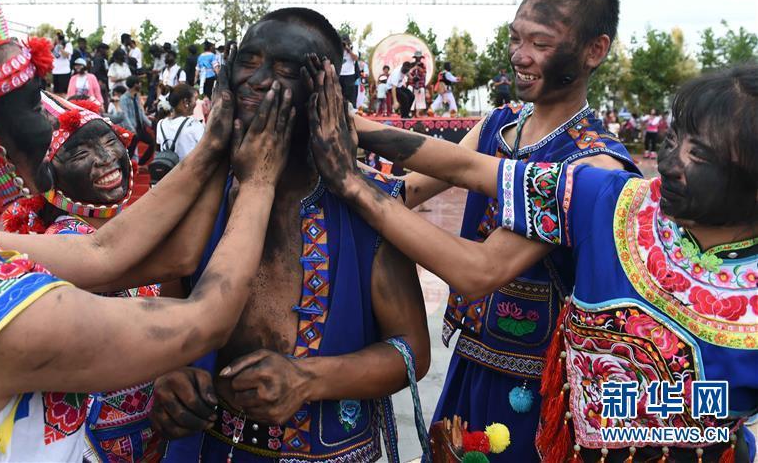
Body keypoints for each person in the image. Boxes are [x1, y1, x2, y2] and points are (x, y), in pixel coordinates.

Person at [0, 0, 295, 462]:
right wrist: (260, 178)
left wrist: (215, 145)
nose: (50, 128)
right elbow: (204, 321)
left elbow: (105, 253)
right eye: (29, 104)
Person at [308, 58, 758, 463]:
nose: (671, 161)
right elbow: (469, 169)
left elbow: (480, 268)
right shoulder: (610, 202)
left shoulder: (600, 166)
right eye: (674, 138)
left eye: (697, 153)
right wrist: (353, 129)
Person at [155, 8, 430, 463]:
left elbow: (411, 352)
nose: (258, 80)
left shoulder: (367, 206)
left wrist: (309, 378)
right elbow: (166, 315)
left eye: (285, 70)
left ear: (324, 92)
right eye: (249, 61)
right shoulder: (197, 194)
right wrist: (170, 378)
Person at [391, 0, 639, 461]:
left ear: (595, 50)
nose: (520, 56)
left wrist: (364, 193)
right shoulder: (498, 126)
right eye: (516, 38)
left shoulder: (593, 164)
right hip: (471, 360)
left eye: (541, 43)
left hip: (537, 387)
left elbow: (481, 269)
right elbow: (408, 190)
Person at [2, 93, 162, 461]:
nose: (106, 159)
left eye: (110, 142)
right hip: (90, 444)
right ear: (50, 177)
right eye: (80, 153)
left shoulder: (123, 228)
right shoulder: (66, 241)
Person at [156, 84, 205, 162]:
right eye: (195, 99)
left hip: (169, 172)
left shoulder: (161, 124)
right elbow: (205, 152)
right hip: (189, 171)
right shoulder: (194, 125)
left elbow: (158, 150)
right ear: (185, 102)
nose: (196, 103)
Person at [120, 76, 154, 164]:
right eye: (139, 83)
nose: (140, 85)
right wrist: (132, 129)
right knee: (130, 151)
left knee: (152, 143)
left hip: (140, 127)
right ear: (135, 84)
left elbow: (141, 113)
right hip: (131, 129)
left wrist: (150, 124)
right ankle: (126, 165)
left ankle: (141, 163)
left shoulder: (136, 97)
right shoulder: (124, 98)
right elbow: (125, 116)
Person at [339, 35, 358, 107]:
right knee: (340, 95)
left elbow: (355, 58)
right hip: (339, 74)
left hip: (349, 75)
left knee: (349, 96)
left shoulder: (353, 48)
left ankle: (350, 112)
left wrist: (348, 50)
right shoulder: (338, 48)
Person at [52, 30, 72, 95]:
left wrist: (60, 47)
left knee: (63, 93)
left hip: (64, 71)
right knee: (56, 93)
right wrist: (54, 43)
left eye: (59, 35)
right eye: (56, 35)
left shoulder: (67, 44)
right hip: (55, 71)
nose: (57, 36)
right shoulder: (53, 45)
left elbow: (66, 55)